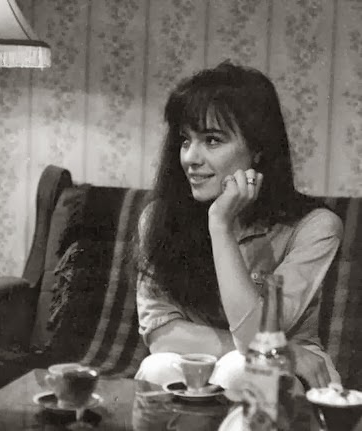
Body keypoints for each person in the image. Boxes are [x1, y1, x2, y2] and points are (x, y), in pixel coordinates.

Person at [134, 61, 343, 393]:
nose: (190, 158)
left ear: (258, 149)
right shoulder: (158, 219)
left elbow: (254, 340)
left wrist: (220, 225)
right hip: (268, 359)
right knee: (156, 368)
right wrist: (287, 351)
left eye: (212, 140)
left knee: (238, 369)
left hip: (290, 380)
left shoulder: (315, 227)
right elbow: (161, 336)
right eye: (186, 140)